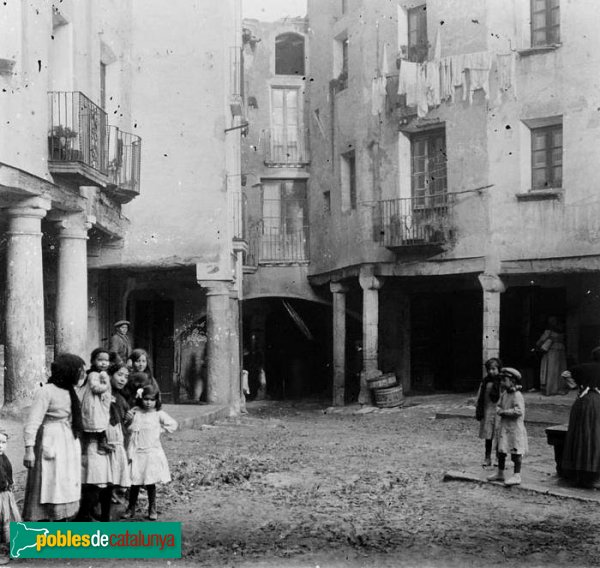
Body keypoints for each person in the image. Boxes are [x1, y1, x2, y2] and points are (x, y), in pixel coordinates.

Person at [22, 353, 84, 521]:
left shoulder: (71, 391)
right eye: (79, 371)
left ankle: (61, 523)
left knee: (63, 483)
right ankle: (43, 525)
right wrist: (29, 450)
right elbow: (33, 422)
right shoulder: (46, 391)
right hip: (51, 440)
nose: (81, 374)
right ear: (68, 371)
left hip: (68, 442)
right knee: (47, 483)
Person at [123, 384, 177, 520]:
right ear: (141, 399)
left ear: (156, 401)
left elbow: (173, 424)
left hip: (151, 452)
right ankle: (131, 507)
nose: (148, 402)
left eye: (152, 400)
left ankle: (152, 508)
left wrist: (160, 430)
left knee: (150, 482)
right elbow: (128, 427)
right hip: (137, 452)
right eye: (146, 399)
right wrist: (128, 419)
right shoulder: (136, 413)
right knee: (134, 482)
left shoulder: (158, 414)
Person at [561, 347, 600, 487]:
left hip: (582, 402)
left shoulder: (584, 367)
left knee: (580, 435)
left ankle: (580, 474)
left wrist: (576, 386)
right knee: (595, 436)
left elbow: (565, 373)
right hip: (597, 404)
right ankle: (594, 475)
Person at [487, 367, 528, 486]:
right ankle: (500, 472)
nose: (502, 383)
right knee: (501, 451)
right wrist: (499, 409)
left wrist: (504, 412)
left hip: (514, 429)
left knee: (516, 452)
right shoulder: (504, 394)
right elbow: (498, 405)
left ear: (512, 381)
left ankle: (517, 475)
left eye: (504, 380)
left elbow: (519, 411)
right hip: (504, 428)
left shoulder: (517, 395)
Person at [106, 360, 133, 504]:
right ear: (110, 375)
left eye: (126, 376)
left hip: (118, 436)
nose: (123, 379)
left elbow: (123, 422)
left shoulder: (121, 398)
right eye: (120, 375)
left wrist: (129, 419)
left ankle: (116, 493)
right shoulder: (104, 393)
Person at [79, 348, 113, 455]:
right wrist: (105, 385)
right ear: (93, 361)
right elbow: (95, 388)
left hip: (99, 402)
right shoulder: (93, 374)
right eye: (100, 360)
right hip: (93, 403)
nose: (104, 363)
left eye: (106, 361)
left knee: (101, 421)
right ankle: (90, 446)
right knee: (96, 421)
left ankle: (100, 443)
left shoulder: (103, 373)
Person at [475, 357, 502, 466]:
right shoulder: (485, 382)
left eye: (494, 369)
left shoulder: (502, 381)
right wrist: (478, 408)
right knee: (488, 436)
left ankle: (498, 457)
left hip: (498, 412)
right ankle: (487, 457)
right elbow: (479, 396)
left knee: (499, 435)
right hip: (487, 411)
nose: (491, 371)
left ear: (499, 369)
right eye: (489, 369)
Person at [0, 431, 21, 564]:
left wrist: (10, 483)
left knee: (9, 521)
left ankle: (11, 547)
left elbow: (8, 473)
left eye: (3, 442)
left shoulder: (4, 458)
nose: (0, 446)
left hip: (5, 495)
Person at [535, 316, 567, 396]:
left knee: (551, 370)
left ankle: (551, 389)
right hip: (561, 351)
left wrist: (537, 345)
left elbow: (541, 341)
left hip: (551, 351)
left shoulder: (548, 331)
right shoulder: (562, 332)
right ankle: (559, 388)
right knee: (560, 370)